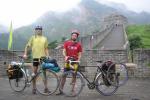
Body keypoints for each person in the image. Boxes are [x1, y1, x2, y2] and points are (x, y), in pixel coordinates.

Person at [23, 26, 50, 94]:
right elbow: (27, 46)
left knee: (44, 74)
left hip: (43, 58)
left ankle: (46, 88)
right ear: (35, 31)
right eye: (37, 29)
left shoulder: (45, 38)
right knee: (34, 74)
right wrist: (25, 54)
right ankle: (34, 88)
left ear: (41, 30)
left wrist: (48, 55)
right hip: (35, 57)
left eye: (40, 29)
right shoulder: (33, 37)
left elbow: (46, 48)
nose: (38, 30)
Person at [57, 29, 82, 95]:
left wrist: (78, 60)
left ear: (77, 37)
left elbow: (79, 54)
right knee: (64, 75)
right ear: (71, 36)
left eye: (75, 35)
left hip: (75, 62)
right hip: (68, 61)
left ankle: (72, 90)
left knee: (74, 76)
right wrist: (65, 56)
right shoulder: (67, 43)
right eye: (73, 35)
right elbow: (64, 51)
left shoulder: (79, 45)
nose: (74, 36)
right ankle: (61, 90)